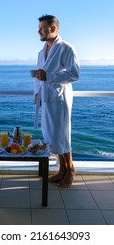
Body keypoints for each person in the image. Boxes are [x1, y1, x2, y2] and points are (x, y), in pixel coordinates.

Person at [34, 15, 80, 188]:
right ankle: (61, 171)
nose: (39, 30)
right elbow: (38, 75)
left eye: (43, 27)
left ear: (53, 29)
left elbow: (74, 74)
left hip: (60, 99)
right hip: (46, 98)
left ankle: (71, 171)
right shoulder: (41, 52)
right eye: (39, 27)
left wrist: (50, 76)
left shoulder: (66, 48)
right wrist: (37, 92)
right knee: (52, 136)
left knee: (62, 135)